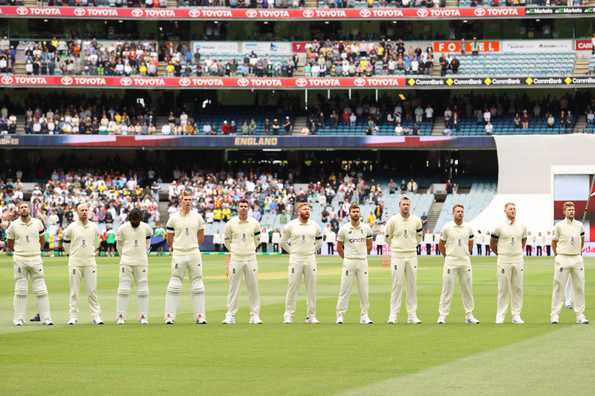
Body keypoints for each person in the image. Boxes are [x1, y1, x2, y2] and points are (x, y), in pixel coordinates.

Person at [6, 202, 53, 326]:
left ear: (29, 209)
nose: (23, 209)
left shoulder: (37, 222)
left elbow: (42, 240)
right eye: (21, 207)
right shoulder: (13, 225)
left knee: (41, 290)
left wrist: (36, 250)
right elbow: (10, 244)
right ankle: (19, 319)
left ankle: (46, 319)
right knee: (20, 290)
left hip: (36, 258)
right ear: (18, 210)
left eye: (25, 207)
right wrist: (20, 252)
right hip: (20, 259)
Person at [164, 190, 207, 325]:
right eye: (185, 199)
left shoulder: (198, 217)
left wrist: (192, 246)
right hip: (179, 253)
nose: (188, 202)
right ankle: (169, 316)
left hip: (194, 252)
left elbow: (201, 236)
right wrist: (177, 248)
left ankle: (200, 316)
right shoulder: (173, 218)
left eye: (190, 199)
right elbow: (169, 238)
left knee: (198, 284)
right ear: (181, 201)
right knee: (174, 284)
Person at [437, 204, 480, 325]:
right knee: (447, 289)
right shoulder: (447, 227)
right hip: (451, 261)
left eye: (462, 211)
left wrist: (466, 254)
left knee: (467, 289)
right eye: (458, 211)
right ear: (453, 213)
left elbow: (471, 243)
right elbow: (441, 244)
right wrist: (447, 256)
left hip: (465, 261)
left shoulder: (468, 228)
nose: (460, 213)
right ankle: (442, 316)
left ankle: (469, 315)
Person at [280, 202, 322, 324]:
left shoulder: (315, 225)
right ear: (299, 212)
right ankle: (288, 315)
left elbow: (319, 241)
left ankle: (311, 316)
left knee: (311, 288)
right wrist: (292, 252)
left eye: (308, 209)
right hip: (296, 259)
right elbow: (283, 242)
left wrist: (313, 251)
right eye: (304, 209)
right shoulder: (291, 225)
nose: (307, 211)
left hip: (310, 259)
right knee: (292, 287)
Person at [223, 199, 262, 325]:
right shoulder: (231, 223)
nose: (244, 208)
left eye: (246, 206)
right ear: (237, 208)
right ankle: (230, 315)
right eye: (241, 206)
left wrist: (250, 249)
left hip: (251, 258)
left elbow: (257, 240)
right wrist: (235, 250)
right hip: (236, 258)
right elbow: (227, 241)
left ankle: (255, 315)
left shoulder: (255, 223)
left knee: (253, 286)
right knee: (233, 287)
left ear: (248, 208)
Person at [385, 196, 423, 324]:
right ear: (399, 206)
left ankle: (412, 315)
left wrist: (411, 246)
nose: (406, 206)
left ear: (410, 205)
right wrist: (397, 247)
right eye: (403, 204)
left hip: (412, 254)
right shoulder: (393, 221)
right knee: (397, 284)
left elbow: (419, 237)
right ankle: (393, 315)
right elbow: (387, 237)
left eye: (407, 204)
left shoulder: (416, 220)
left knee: (412, 285)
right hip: (397, 255)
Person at [63, 203, 102, 325]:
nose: (84, 212)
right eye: (82, 210)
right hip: (75, 262)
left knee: (92, 291)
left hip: (90, 262)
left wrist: (91, 251)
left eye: (86, 210)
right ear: (77, 212)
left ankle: (96, 316)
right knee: (74, 291)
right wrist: (71, 254)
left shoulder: (94, 227)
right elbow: (66, 244)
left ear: (88, 212)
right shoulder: (71, 227)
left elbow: (97, 242)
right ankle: (73, 317)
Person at [550, 202, 588, 324]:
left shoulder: (580, 225)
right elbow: (554, 242)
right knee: (558, 287)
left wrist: (579, 251)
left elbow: (582, 239)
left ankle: (580, 315)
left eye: (573, 209)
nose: (571, 211)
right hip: (562, 258)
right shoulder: (559, 226)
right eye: (569, 210)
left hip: (577, 258)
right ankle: (555, 315)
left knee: (579, 287)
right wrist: (558, 255)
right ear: (564, 212)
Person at [336, 203, 374, 325]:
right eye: (353, 212)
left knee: (364, 289)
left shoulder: (366, 228)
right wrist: (346, 258)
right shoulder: (344, 229)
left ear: (360, 213)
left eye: (357, 211)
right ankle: (340, 315)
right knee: (344, 289)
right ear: (350, 214)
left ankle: (364, 316)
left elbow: (369, 245)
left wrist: (362, 255)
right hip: (349, 261)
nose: (356, 214)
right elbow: (339, 247)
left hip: (362, 261)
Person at [490, 203, 527, 325]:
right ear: (505, 211)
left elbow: (523, 240)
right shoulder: (499, 227)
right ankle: (500, 316)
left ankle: (516, 315)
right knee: (503, 288)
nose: (513, 211)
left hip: (518, 259)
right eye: (510, 209)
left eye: (514, 209)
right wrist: (500, 253)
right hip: (504, 259)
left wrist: (517, 251)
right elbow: (492, 243)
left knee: (517, 288)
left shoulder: (522, 226)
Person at [115, 208, 153, 325]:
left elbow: (148, 244)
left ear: (140, 219)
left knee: (143, 289)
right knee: (123, 289)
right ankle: (121, 316)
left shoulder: (146, 228)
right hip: (126, 261)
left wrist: (142, 253)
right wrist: (125, 256)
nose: (135, 222)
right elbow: (119, 246)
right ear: (129, 218)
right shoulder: (122, 228)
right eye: (133, 220)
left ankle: (143, 316)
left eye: (137, 220)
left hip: (141, 261)